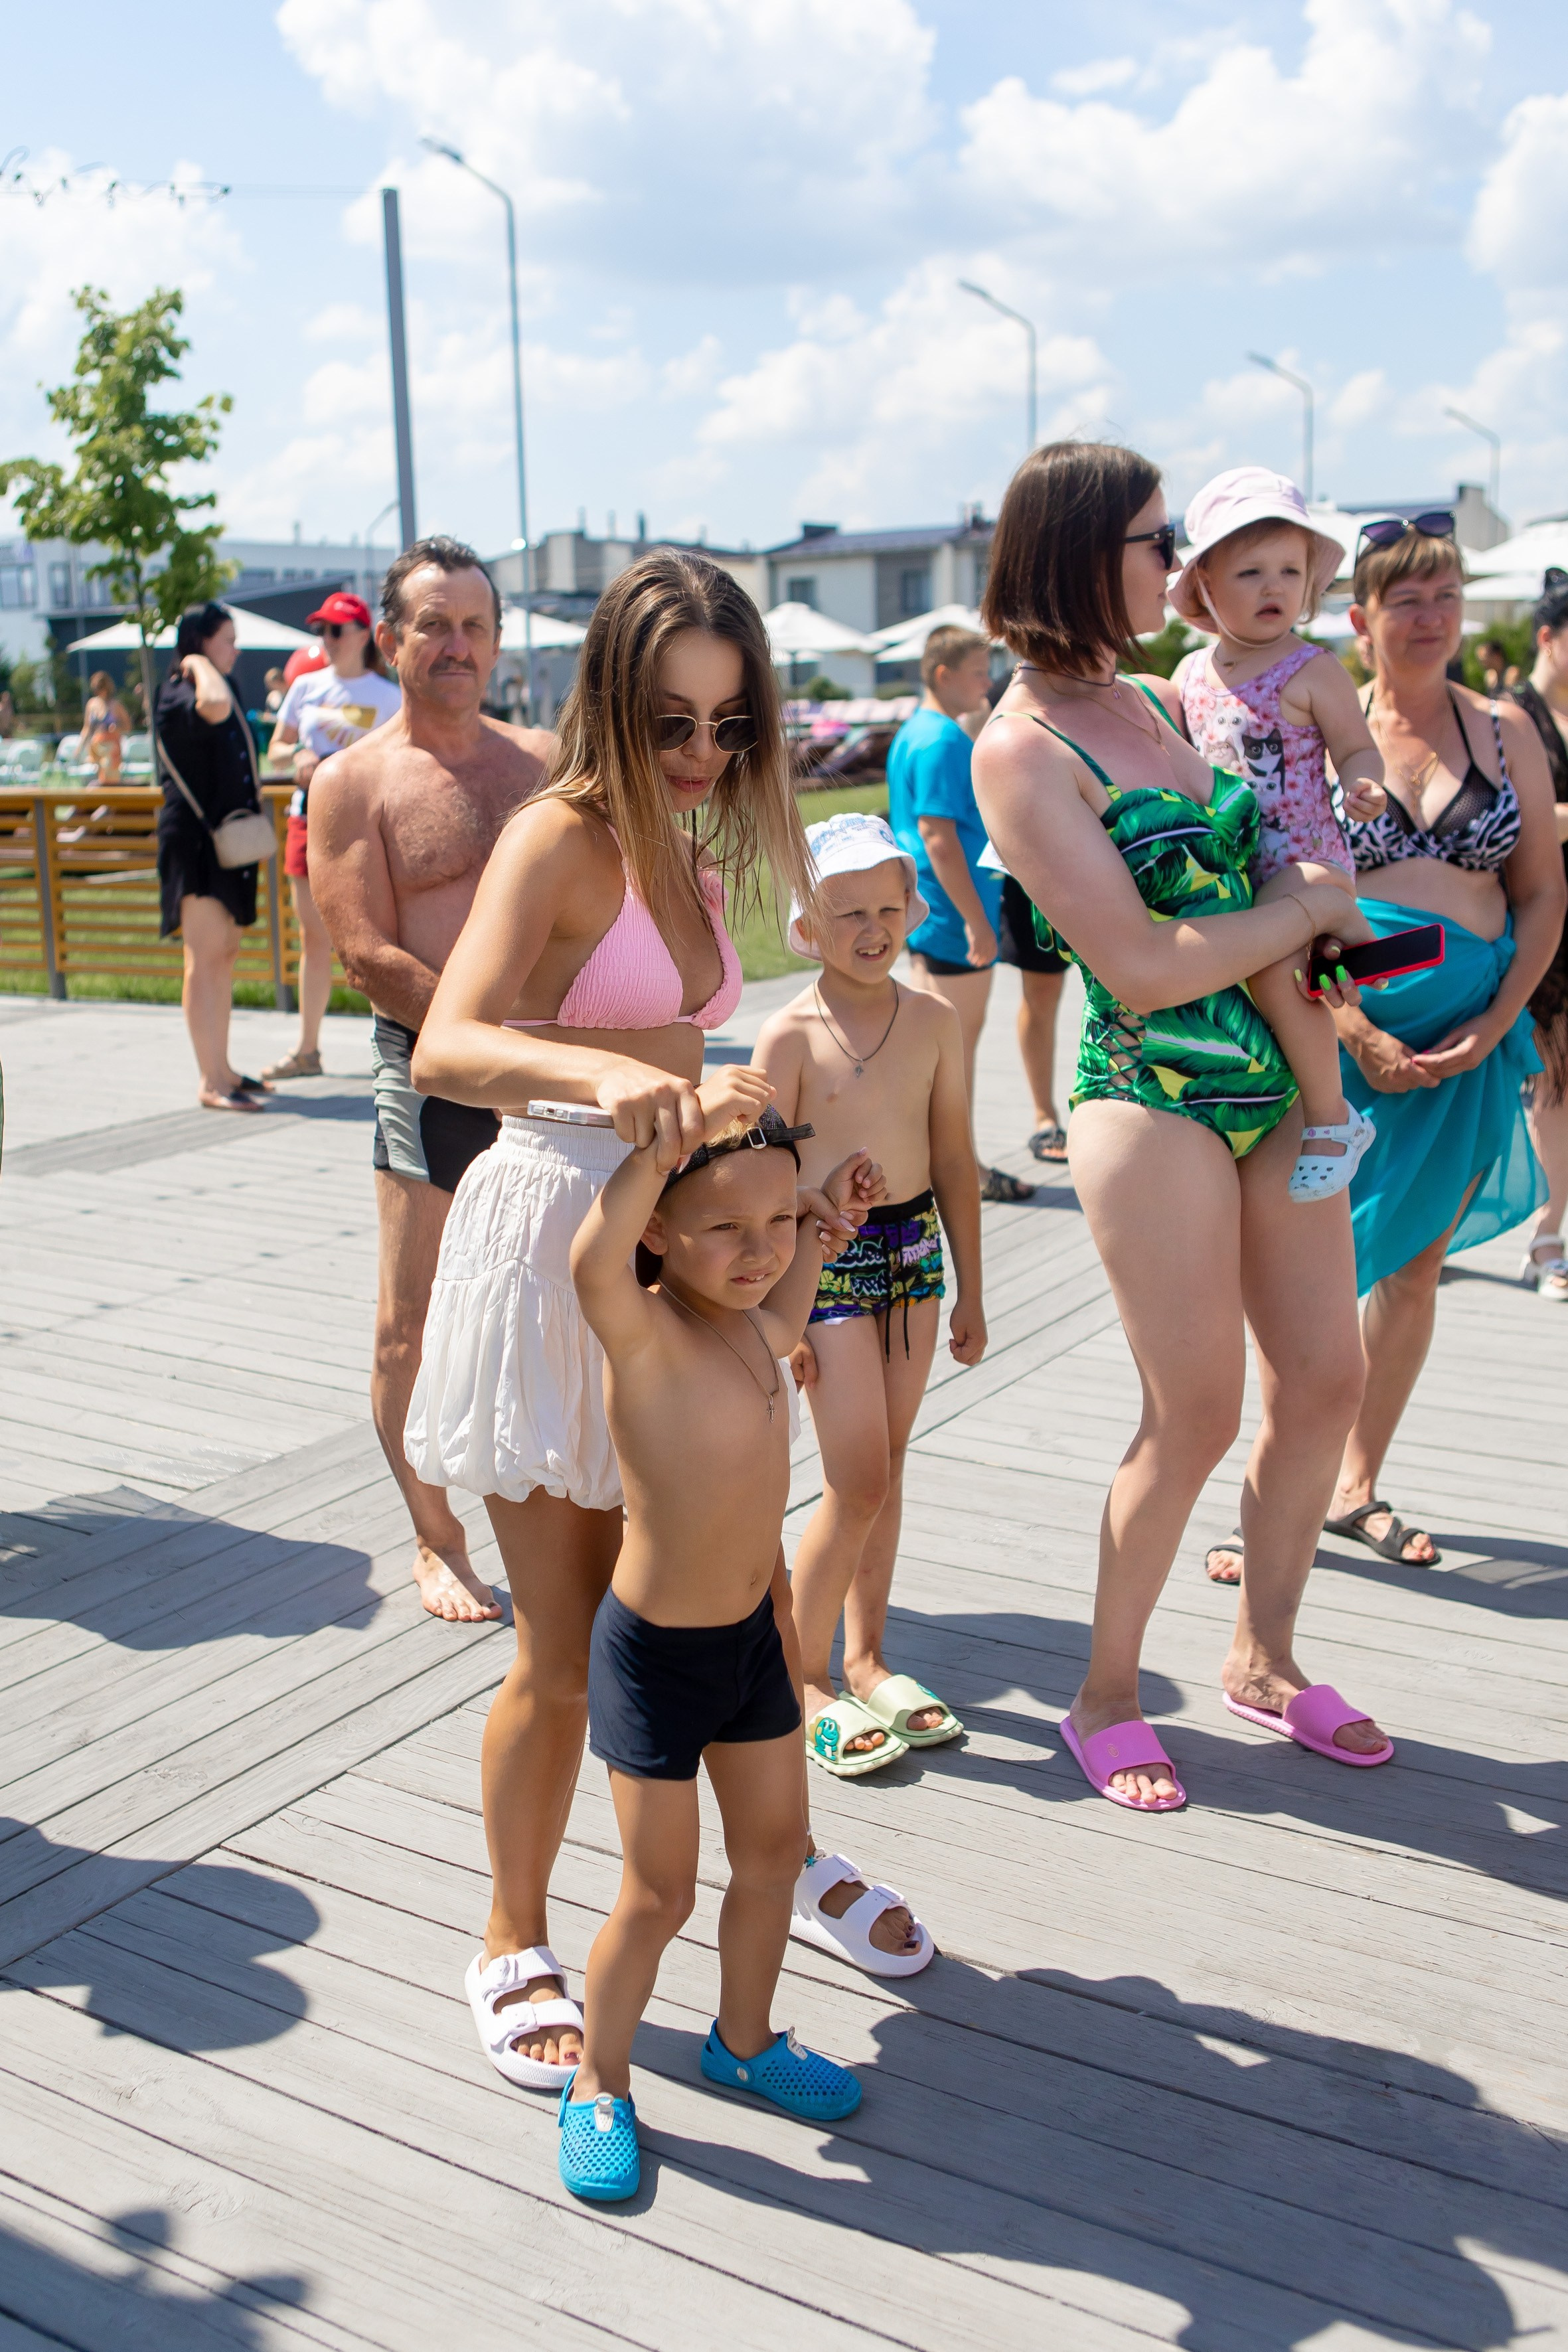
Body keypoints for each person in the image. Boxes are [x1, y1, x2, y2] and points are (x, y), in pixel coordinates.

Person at [409, 550, 932, 2095]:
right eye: (671, 723)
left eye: (727, 724)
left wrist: (756, 1150)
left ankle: (783, 1848)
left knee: (744, 1593)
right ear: (611, 706)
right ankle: (512, 1932)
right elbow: (448, 1040)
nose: (702, 755)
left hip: (679, 1240)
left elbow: (664, 1035)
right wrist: (609, 1084)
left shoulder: (693, 845)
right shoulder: (558, 836)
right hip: (560, 1249)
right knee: (568, 1650)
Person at [972, 439, 1391, 1810]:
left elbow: (1263, 858)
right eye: (1156, 541)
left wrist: (1325, 920)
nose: (1180, 567)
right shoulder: (1015, 747)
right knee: (1194, 1408)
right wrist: (1298, 914)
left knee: (1323, 1380)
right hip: (1146, 1091)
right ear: (1080, 554)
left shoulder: (1160, 694)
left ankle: (1262, 1658)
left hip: (1276, 1070)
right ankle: (1102, 1694)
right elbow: (1142, 964)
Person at [560, 1085, 864, 2202]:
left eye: (775, 1224)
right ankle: (598, 2080)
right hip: (655, 1659)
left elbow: (784, 1309)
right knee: (657, 1892)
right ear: (658, 1230)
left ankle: (743, 2038)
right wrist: (666, 1143)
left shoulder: (752, 1326)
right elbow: (598, 1251)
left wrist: (819, 1233)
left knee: (775, 1853)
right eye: (727, 1227)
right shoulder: (638, 1330)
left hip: (743, 1642)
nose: (757, 1251)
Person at [308, 537, 552, 1625]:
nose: (456, 645)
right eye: (434, 625)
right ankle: (435, 1532)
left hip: (557, 1063)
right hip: (428, 1068)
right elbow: (364, 953)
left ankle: (570, 1509)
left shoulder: (545, 760)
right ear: (393, 639)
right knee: (409, 1323)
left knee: (569, 1302)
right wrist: (490, 1047)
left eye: (474, 626)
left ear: (496, 641)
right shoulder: (352, 780)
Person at [1311, 517, 1562, 1565]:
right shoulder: (1318, 733)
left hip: (1468, 1045)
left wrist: (1496, 1020)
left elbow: (1542, 893)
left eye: (1445, 595)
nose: (1430, 616)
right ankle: (1275, 1483)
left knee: (1410, 1272)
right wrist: (1355, 1026)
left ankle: (1352, 1481)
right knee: (1308, 1276)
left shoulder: (1503, 729)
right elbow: (1293, 902)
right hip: (1335, 1037)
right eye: (1405, 599)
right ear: (1361, 617)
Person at [751, 812, 984, 1790]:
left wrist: (971, 1283)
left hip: (912, 1251)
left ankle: (865, 1655)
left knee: (885, 1465)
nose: (872, 927)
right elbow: (757, 1180)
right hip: (825, 1260)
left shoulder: (931, 1018)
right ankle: (798, 1675)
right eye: (847, 910)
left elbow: (953, 1159)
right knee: (852, 1474)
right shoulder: (791, 1033)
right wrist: (776, 1313)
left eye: (888, 906)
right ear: (808, 919)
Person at [1170, 468, 1389, 1204]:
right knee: (1255, 983)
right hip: (1231, 869)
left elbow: (1356, 747)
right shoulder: (1190, 672)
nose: (1275, 587)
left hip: (1303, 860)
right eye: (1251, 570)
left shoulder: (1312, 667)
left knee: (1271, 964)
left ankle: (1334, 1119)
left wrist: (1364, 783)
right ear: (1203, 585)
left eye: (1290, 572)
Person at [888, 624, 1034, 1204]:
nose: (988, 680)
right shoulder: (944, 740)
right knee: (956, 1055)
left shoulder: (913, 732)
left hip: (926, 910)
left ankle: (937, 1160)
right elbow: (938, 835)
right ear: (943, 675)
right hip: (950, 914)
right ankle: (961, 1167)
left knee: (934, 1048)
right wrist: (978, 921)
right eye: (978, 670)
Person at [264, 593, 402, 1082]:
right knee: (312, 936)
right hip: (308, 819)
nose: (328, 639)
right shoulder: (304, 686)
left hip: (367, 825)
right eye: (322, 630)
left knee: (371, 938)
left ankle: (394, 1043)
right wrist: (297, 757)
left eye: (337, 630)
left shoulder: (389, 695)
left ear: (365, 635)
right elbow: (277, 749)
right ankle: (307, 1048)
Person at [155, 602, 274, 1115]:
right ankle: (210, 1078)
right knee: (203, 960)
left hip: (226, 843)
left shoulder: (218, 683)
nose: (236, 649)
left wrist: (207, 661)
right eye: (226, 639)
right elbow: (216, 708)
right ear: (201, 642)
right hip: (196, 844)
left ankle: (223, 1066)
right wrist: (199, 664)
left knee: (224, 951)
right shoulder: (182, 690)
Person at [1508, 570, 1568, 1301]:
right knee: (1549, 1080)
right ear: (1547, 638)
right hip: (1525, 919)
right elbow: (1512, 820)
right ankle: (1548, 1232)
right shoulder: (1509, 715)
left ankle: (1551, 1223)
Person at [82, 670, 131, 781]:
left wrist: (116, 727)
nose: (98, 691)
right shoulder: (92, 704)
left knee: (109, 779)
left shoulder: (116, 704)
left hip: (111, 747)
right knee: (95, 780)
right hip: (96, 747)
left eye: (100, 688)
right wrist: (80, 749)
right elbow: (87, 728)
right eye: (96, 689)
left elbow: (127, 726)